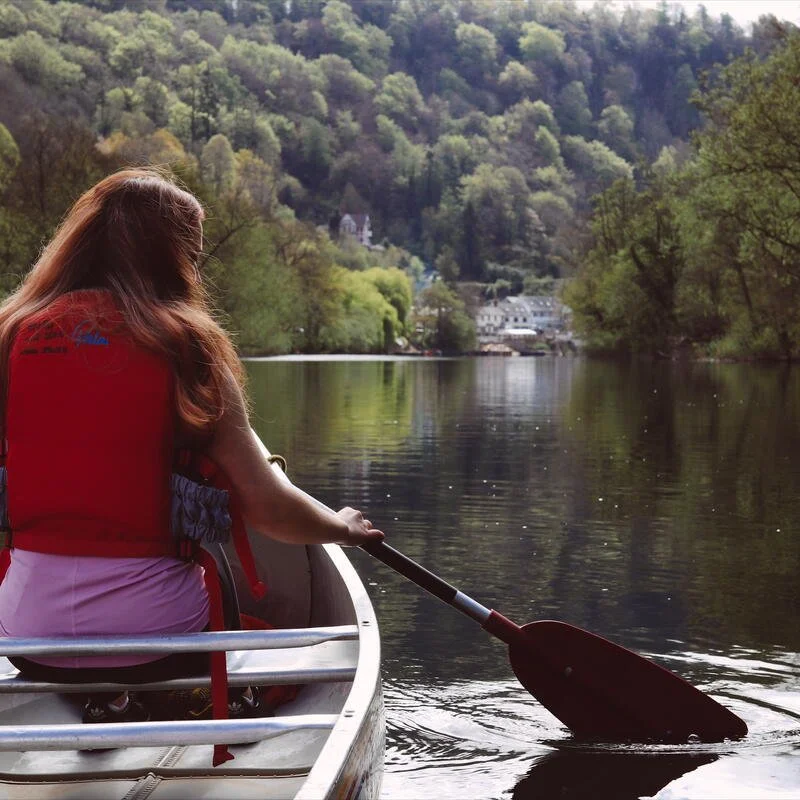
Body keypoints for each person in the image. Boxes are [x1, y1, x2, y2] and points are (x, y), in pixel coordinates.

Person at [0, 167, 384, 735]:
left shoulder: (10, 335)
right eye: (192, 257)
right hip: (159, 645)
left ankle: (110, 702)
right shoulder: (187, 347)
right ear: (169, 258)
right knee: (215, 586)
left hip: (28, 639)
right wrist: (342, 527)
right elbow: (268, 508)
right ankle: (189, 700)